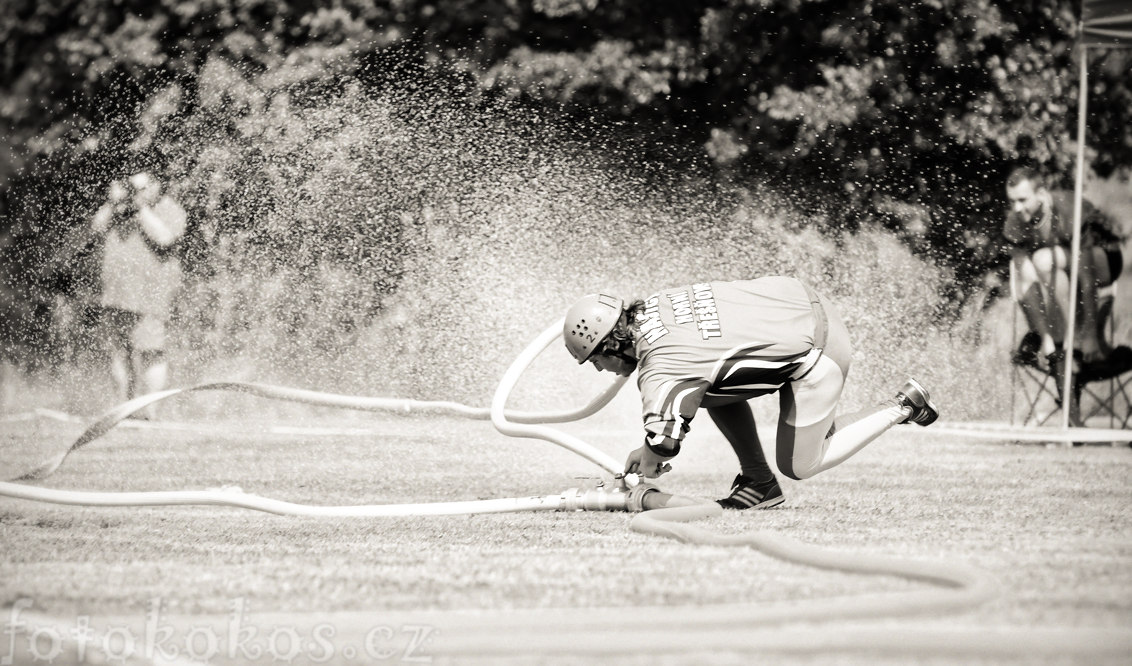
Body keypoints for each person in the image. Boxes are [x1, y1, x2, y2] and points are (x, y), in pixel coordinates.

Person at [562, 276, 938, 509]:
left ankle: (902, 405)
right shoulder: (658, 303)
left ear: (613, 344)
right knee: (707, 389)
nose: (599, 369)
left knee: (800, 465)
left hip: (818, 349)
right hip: (803, 301)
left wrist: (647, 456)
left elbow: (665, 441)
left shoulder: (660, 363)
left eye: (595, 359)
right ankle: (759, 482)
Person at [1004, 165, 1125, 371]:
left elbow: (1087, 278)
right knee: (1036, 269)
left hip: (1104, 258)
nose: (1016, 208)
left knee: (1043, 260)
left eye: (1022, 200)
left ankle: (1078, 338)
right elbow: (1027, 283)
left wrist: (1088, 335)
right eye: (1012, 201)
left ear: (1040, 194)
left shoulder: (1067, 209)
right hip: (1064, 267)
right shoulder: (1014, 222)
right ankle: (1062, 342)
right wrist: (1046, 339)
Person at [93, 172, 187, 418]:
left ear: (156, 184)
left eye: (142, 187)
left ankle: (150, 412)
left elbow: (165, 237)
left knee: (151, 351)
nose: (139, 192)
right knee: (118, 351)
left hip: (151, 295)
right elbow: (96, 227)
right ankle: (121, 409)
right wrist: (113, 202)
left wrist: (140, 207)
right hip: (117, 293)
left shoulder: (169, 208)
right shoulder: (118, 208)